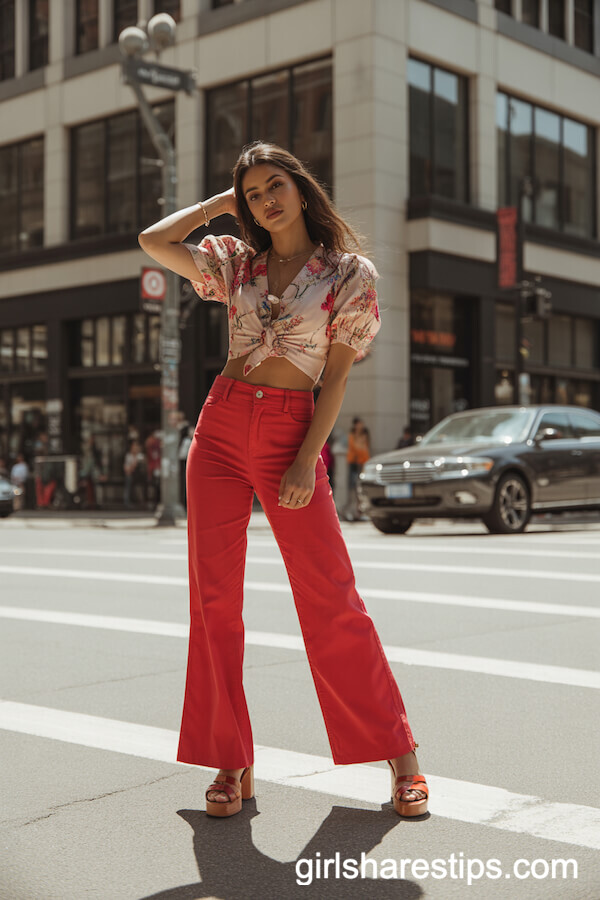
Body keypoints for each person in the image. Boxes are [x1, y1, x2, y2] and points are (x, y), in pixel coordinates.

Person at [138, 140, 427, 820]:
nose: (266, 200)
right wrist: (218, 206)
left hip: (291, 432)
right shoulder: (238, 264)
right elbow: (154, 241)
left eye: (275, 185)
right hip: (218, 430)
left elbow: (337, 374)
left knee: (330, 597)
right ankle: (231, 761)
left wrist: (307, 459)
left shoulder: (348, 273)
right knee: (214, 604)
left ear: (300, 188)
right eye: (253, 193)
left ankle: (401, 753)